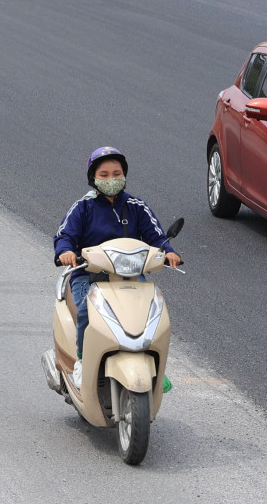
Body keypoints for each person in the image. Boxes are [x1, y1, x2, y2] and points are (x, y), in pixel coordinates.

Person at [54, 147, 180, 375]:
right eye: (104, 175)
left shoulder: (137, 207)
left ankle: (154, 364)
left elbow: (157, 236)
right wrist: (66, 252)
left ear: (124, 176)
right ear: (93, 177)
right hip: (88, 274)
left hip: (129, 274)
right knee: (87, 311)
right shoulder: (83, 207)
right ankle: (83, 361)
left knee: (151, 311)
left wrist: (168, 252)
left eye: (116, 173)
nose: (111, 179)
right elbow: (65, 235)